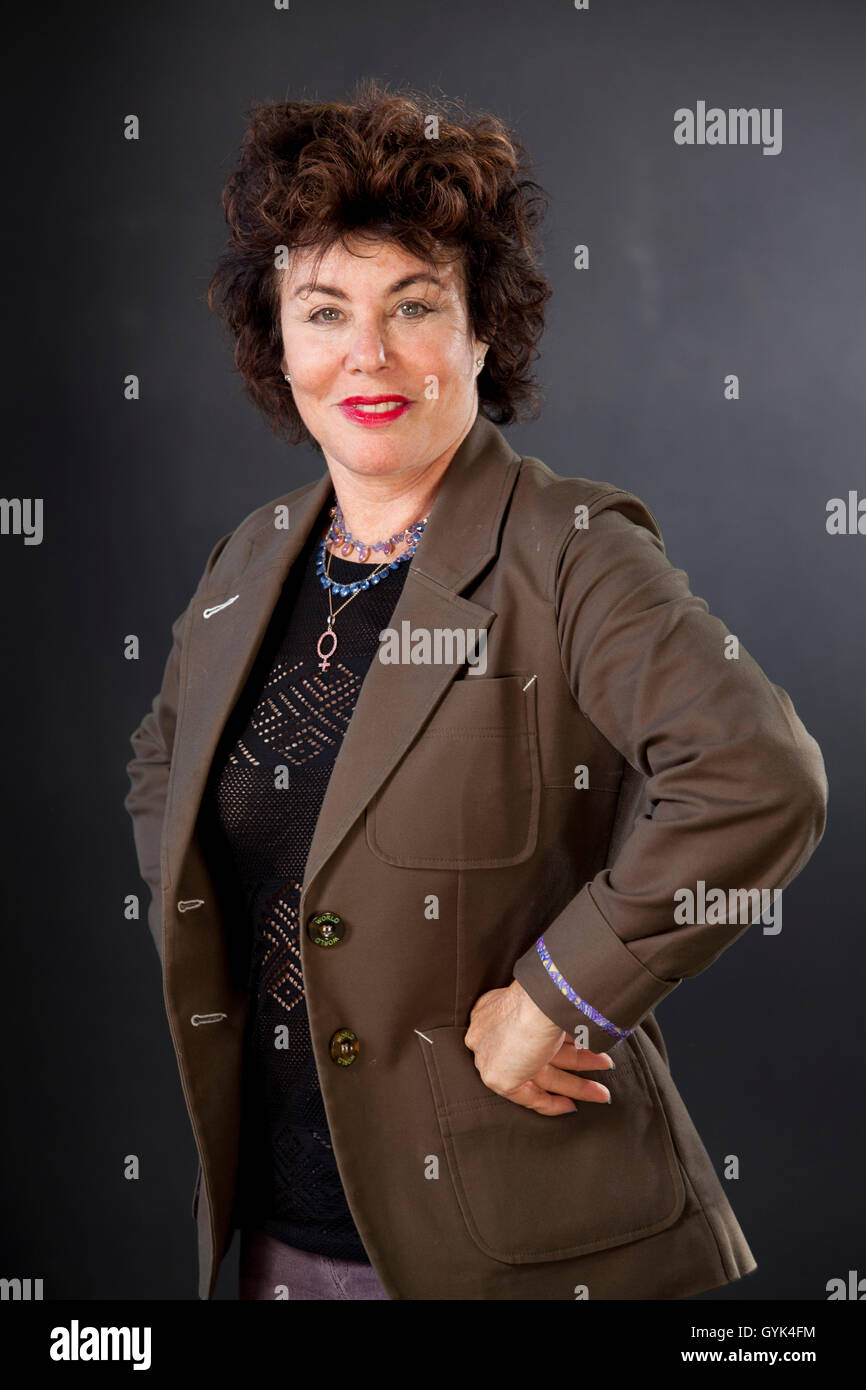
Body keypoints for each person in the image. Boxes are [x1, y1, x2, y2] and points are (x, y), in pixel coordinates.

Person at [124, 78, 828, 1301]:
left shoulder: (568, 548)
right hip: (277, 1243)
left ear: (480, 333)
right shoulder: (250, 559)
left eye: (414, 306)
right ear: (275, 340)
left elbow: (756, 776)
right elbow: (159, 765)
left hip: (522, 1247)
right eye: (323, 310)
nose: (367, 356)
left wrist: (560, 994)